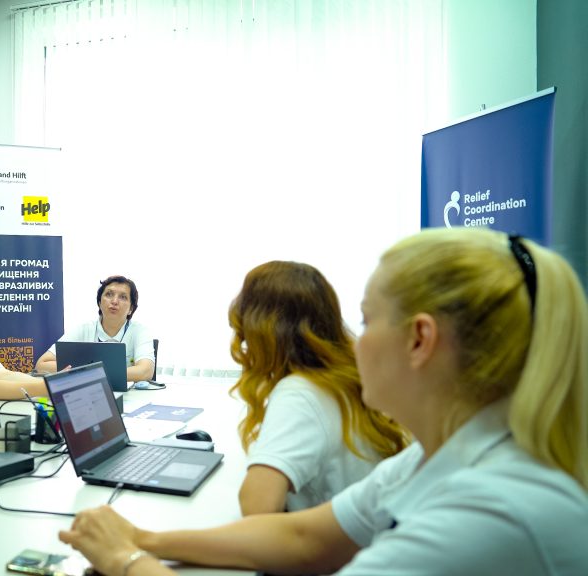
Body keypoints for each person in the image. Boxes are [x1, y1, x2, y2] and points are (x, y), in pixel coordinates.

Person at [58, 228, 588, 575]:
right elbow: (303, 537)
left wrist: (126, 558)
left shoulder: (492, 512)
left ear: (420, 340)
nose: (355, 339)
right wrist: (144, 537)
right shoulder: (430, 462)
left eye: (368, 319)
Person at [229, 261, 407, 516]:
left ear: (258, 328)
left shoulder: (301, 393)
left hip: (334, 540)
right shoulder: (347, 378)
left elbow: (257, 507)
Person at [35, 275, 154, 382]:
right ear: (99, 302)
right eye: (109, 294)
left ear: (131, 309)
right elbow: (41, 365)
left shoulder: (139, 331)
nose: (114, 301)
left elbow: (146, 372)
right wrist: (92, 373)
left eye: (123, 297)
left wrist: (87, 372)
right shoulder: (84, 329)